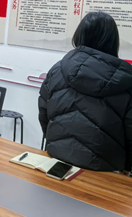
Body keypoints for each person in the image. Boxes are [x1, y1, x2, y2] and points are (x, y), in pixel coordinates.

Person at [39, 11, 132, 173]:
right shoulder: (125, 80)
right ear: (113, 40)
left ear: (80, 35)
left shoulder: (57, 69)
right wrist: (127, 166)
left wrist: (56, 144)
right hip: (106, 169)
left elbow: (44, 112)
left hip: (58, 159)